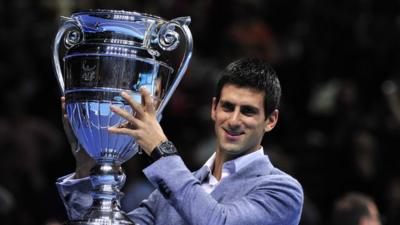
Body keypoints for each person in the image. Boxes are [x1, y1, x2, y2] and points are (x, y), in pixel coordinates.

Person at [56, 58, 304, 225]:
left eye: (248, 111)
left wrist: (161, 149)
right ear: (214, 109)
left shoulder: (282, 191)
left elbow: (219, 222)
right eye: (228, 107)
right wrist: (88, 166)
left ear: (270, 121)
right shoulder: (167, 193)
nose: (234, 120)